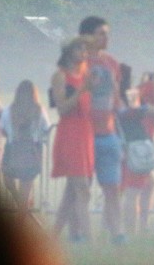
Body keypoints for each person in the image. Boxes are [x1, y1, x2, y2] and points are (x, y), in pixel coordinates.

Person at [79, 15, 125, 244]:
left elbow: (116, 97)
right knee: (81, 191)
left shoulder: (112, 63)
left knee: (113, 189)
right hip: (84, 135)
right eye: (101, 33)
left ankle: (117, 234)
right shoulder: (78, 62)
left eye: (107, 33)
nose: (106, 38)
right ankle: (79, 235)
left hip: (108, 134)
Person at [50, 37, 93, 243]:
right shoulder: (60, 76)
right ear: (69, 52)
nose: (84, 52)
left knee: (71, 194)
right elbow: (62, 108)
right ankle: (90, 241)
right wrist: (82, 90)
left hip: (86, 134)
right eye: (79, 48)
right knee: (82, 189)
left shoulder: (86, 75)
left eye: (85, 49)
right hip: (70, 135)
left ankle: (52, 238)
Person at [120, 70, 154, 236]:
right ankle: (132, 232)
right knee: (132, 192)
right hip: (135, 147)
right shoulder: (130, 97)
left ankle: (139, 226)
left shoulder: (111, 97)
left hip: (123, 146)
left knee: (147, 184)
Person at [1, 80, 50, 224]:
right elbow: (46, 128)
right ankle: (22, 216)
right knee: (25, 189)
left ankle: (21, 214)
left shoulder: (9, 109)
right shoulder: (39, 110)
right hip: (32, 151)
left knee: (8, 180)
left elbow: (2, 129)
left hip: (12, 150)